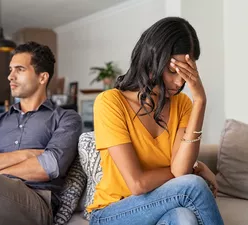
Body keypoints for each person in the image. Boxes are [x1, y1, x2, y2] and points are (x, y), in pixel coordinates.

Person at [88, 17, 224, 225]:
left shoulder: (183, 104)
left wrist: (200, 100)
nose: (179, 82)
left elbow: (180, 171)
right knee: (193, 186)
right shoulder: (110, 102)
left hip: (159, 208)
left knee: (185, 217)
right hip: (112, 213)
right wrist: (194, 169)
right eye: (172, 71)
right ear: (151, 61)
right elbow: (137, 184)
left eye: (186, 73)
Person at [0, 41, 82, 225]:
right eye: (11, 70)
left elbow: (50, 166)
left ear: (42, 77)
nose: (10, 76)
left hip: (35, 203)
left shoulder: (66, 118)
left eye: (19, 69)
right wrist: (26, 154)